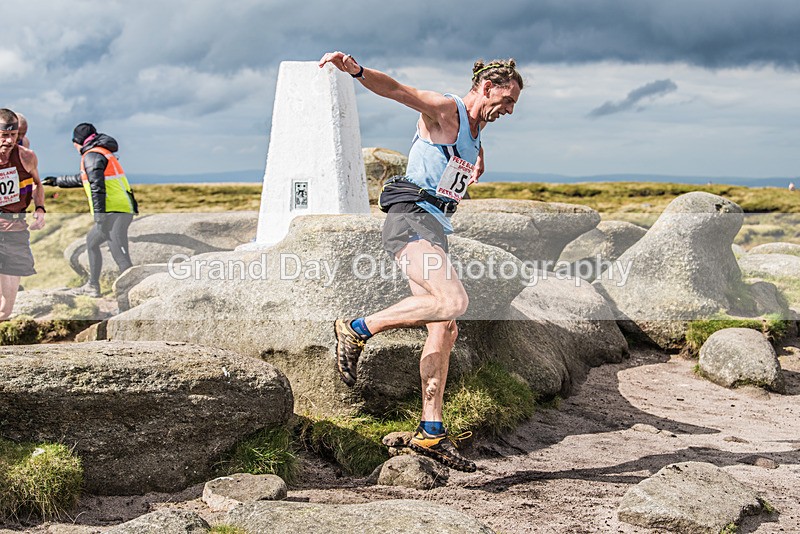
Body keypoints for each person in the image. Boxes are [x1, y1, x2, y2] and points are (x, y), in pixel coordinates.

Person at [319, 51, 523, 472]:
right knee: (454, 302)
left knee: (444, 328)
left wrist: (474, 161)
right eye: (507, 100)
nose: (509, 110)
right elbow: (398, 90)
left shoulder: (474, 132)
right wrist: (356, 70)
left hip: (433, 228)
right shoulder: (445, 110)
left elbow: (457, 166)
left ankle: (431, 431)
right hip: (409, 219)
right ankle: (356, 328)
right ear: (486, 88)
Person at [43, 123, 137, 297]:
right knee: (92, 242)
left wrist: (100, 216)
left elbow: (96, 187)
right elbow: (84, 178)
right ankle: (92, 286)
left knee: (120, 256)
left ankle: (132, 295)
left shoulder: (91, 155)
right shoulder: (100, 152)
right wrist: (57, 181)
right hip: (118, 209)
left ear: (77, 141)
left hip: (113, 211)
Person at [0, 108, 46, 320]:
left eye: (13, 135)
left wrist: (40, 209)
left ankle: (4, 315)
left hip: (15, 225)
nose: (9, 141)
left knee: (12, 272)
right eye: (4, 135)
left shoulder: (26, 156)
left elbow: (38, 185)